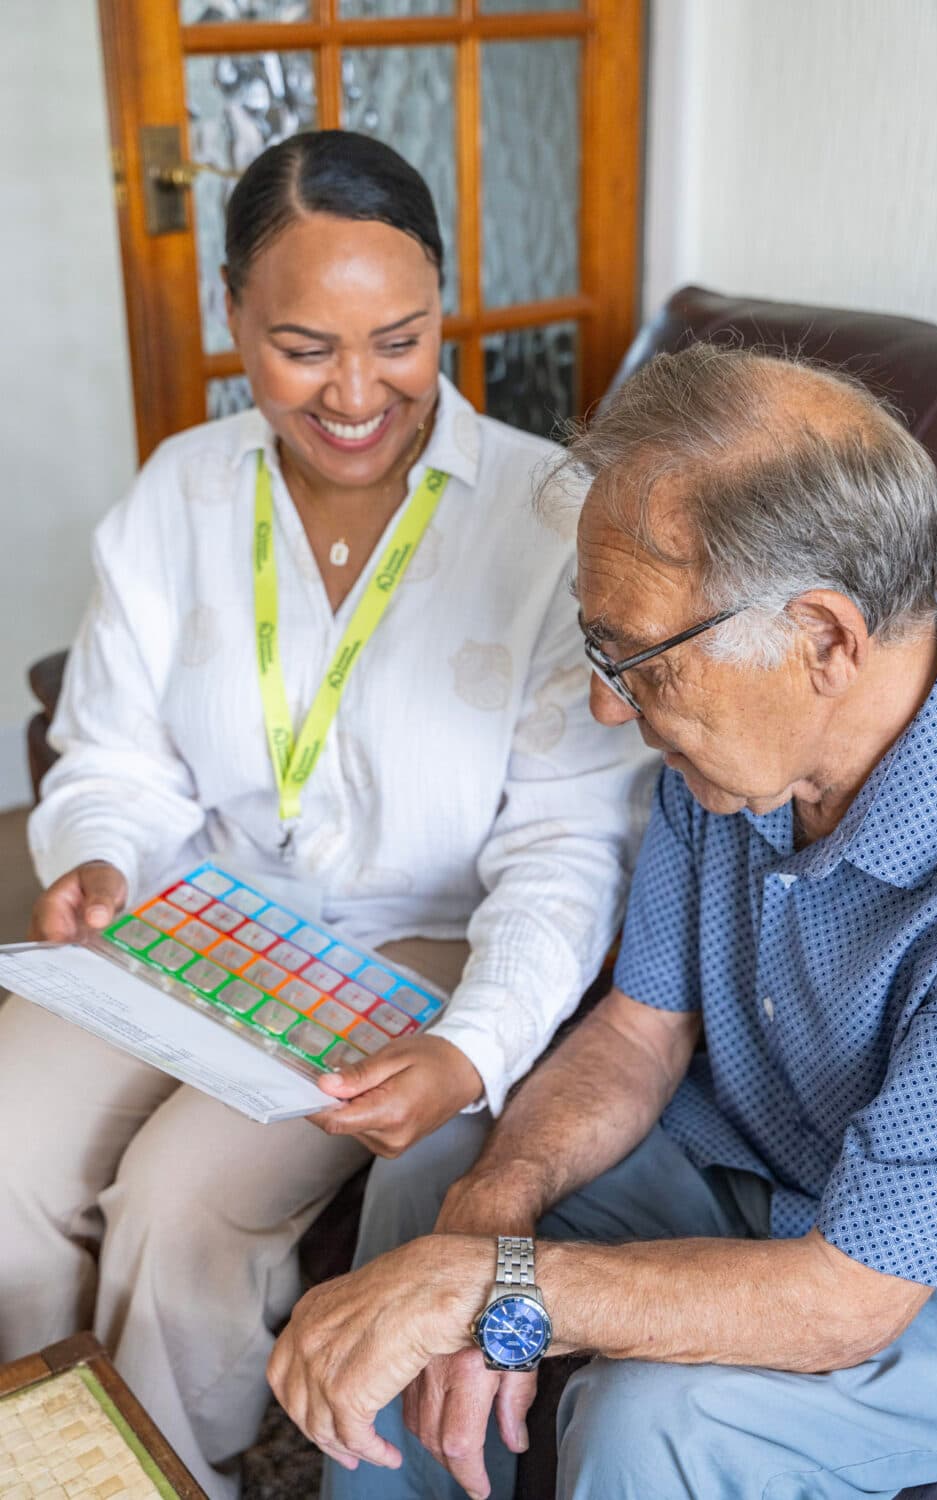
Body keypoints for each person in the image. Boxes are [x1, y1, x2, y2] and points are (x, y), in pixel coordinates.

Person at [0, 131, 652, 1499]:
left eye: (400, 339)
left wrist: (469, 1051)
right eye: (302, 346)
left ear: (443, 303)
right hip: (193, 907)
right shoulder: (179, 491)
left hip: (422, 946)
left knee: (180, 1210)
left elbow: (566, 851)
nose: (358, 393)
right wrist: (101, 855)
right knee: (5, 1146)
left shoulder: (552, 519)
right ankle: (46, 1451)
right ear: (233, 312)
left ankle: (180, 1472)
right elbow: (113, 752)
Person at [269, 344, 937, 1500]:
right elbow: (638, 1031)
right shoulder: (739, 747)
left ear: (823, 640)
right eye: (598, 645)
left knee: (653, 1415)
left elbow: (846, 1300)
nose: (612, 704)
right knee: (436, 1187)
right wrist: (489, 1226)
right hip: (751, 1170)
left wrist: (494, 1288)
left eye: (640, 658)